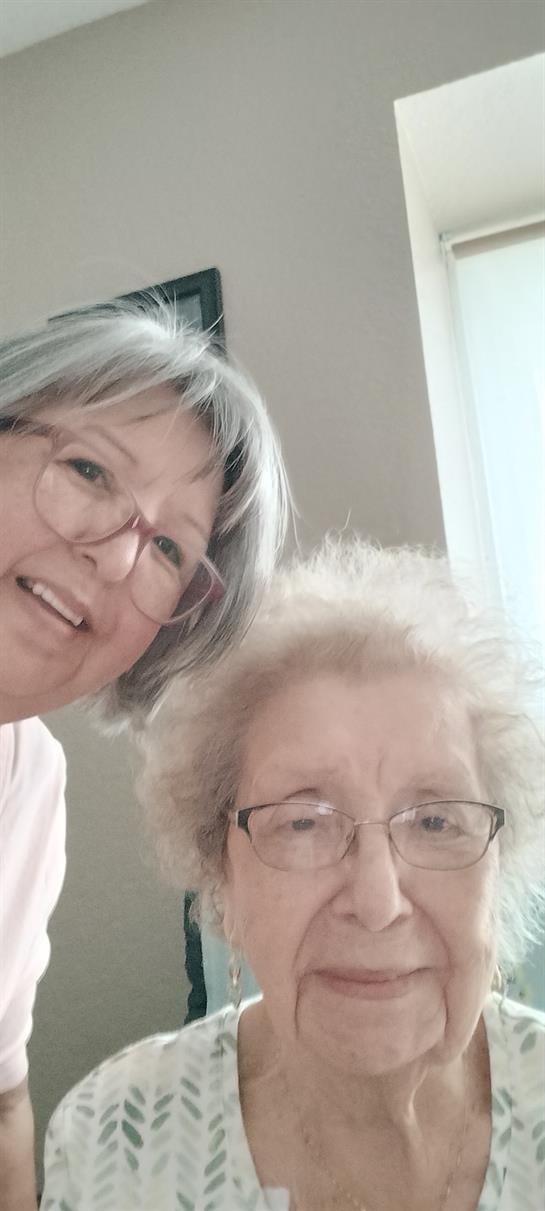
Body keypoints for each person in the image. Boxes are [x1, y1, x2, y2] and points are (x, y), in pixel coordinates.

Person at [41, 538, 544, 1211]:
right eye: (303, 822)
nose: (376, 901)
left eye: (434, 821)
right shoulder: (112, 1141)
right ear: (222, 875)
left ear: (497, 864)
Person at [0, 301, 289, 1210]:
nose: (119, 557)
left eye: (168, 546)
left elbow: (2, 1098)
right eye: (88, 469)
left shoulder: (31, 784)